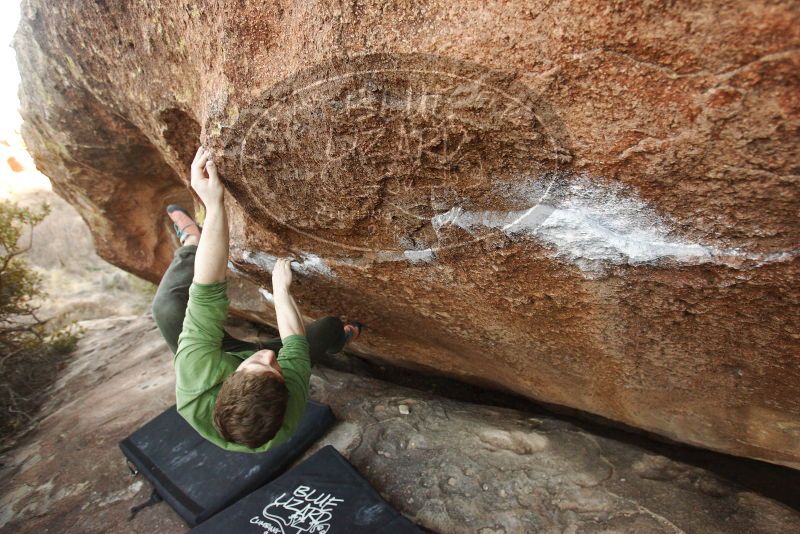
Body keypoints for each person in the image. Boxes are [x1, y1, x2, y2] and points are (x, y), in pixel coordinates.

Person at [151, 146, 360, 452]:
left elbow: (207, 286)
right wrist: (282, 292)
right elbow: (293, 343)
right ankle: (338, 340)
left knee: (166, 308)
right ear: (283, 387)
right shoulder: (288, 406)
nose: (268, 356)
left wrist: (214, 203)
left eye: (258, 363)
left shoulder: (196, 374)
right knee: (327, 328)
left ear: (226, 380)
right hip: (243, 369)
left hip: (221, 356)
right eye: (275, 369)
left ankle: (192, 242)